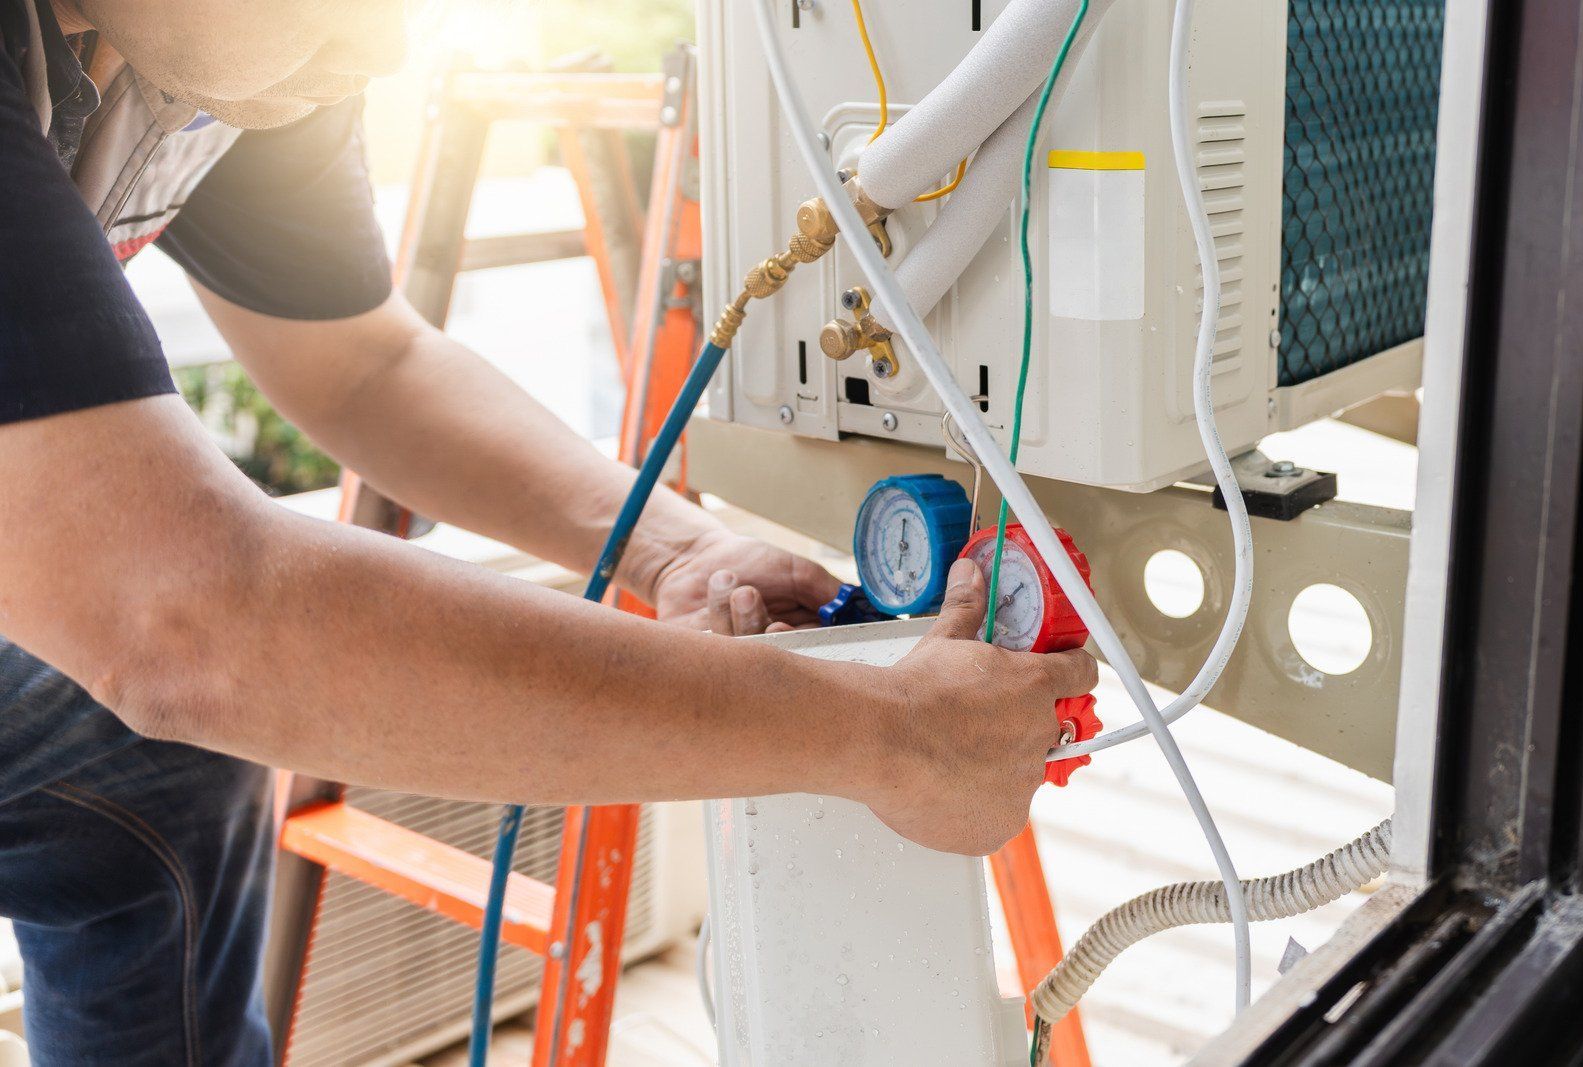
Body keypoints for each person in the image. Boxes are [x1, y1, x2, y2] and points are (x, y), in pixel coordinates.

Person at [0, 1, 1097, 1063]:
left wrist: (676, 550)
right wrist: (882, 735)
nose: (381, 44)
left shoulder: (235, 50)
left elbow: (359, 362)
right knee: (162, 692)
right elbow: (183, 613)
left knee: (146, 757)